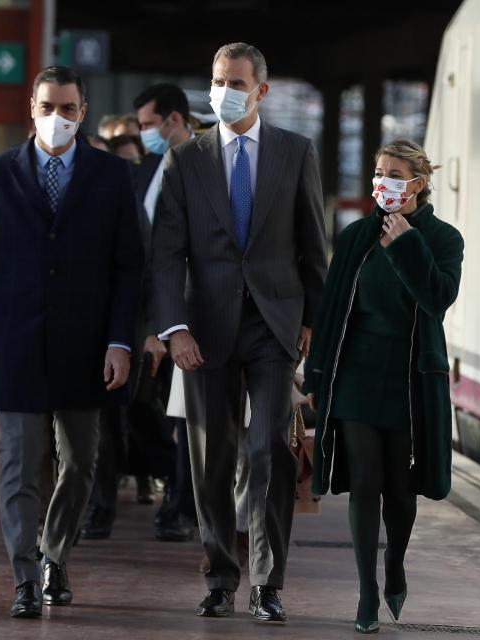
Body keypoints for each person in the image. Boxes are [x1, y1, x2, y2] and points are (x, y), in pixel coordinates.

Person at [0, 65, 143, 619]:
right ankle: (23, 578)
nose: (57, 118)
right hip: (14, 343)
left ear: (82, 112)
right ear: (31, 109)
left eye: (68, 109)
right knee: (18, 466)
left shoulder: (112, 176)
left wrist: (120, 341)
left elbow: (127, 266)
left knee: (81, 462)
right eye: (47, 107)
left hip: (87, 347)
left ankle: (54, 552)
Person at [152, 42, 327, 622]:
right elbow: (167, 253)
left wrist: (309, 323)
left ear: (261, 91)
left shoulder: (295, 152)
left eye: (234, 81)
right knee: (212, 457)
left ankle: (268, 582)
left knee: (269, 449)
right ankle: (222, 575)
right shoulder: (188, 159)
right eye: (216, 80)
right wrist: (174, 327)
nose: (222, 90)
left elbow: (312, 247)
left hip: (274, 326)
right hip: (204, 330)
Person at [302, 139, 464, 633]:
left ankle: (394, 563)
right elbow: (331, 311)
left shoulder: (442, 238)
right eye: (378, 172)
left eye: (394, 173)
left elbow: (438, 298)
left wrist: (406, 246)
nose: (383, 182)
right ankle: (367, 593)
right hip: (356, 376)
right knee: (365, 482)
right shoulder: (356, 237)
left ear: (417, 183)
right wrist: (315, 375)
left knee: (399, 487)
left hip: (409, 380)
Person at [133, 82, 196, 543]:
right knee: (137, 408)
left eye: (148, 125)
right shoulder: (150, 168)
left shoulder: (205, 165)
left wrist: (166, 325)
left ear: (173, 120)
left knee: (185, 417)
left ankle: (180, 503)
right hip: (144, 319)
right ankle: (172, 484)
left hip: (187, 318)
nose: (143, 135)